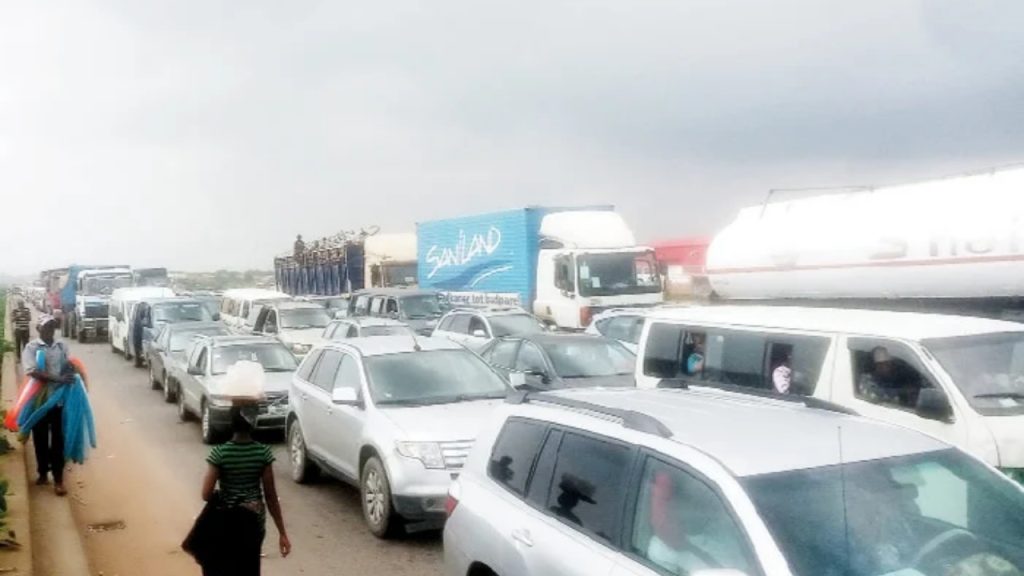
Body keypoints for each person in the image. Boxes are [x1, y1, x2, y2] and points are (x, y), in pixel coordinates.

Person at [199, 405, 290, 575]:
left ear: (231, 422)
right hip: (254, 523)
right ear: (253, 423)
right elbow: (271, 497)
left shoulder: (220, 453)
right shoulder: (262, 453)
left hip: (228, 522)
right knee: (249, 567)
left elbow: (205, 494)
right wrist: (282, 533)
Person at [22, 315, 73, 495]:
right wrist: (58, 378)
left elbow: (68, 364)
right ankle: (43, 473)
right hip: (39, 401)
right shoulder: (32, 347)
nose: (50, 329)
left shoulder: (61, 346)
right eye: (46, 326)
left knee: (58, 441)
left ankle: (58, 480)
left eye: (52, 326)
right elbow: (33, 371)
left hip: (58, 401)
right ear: (39, 329)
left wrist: (71, 372)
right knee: (40, 439)